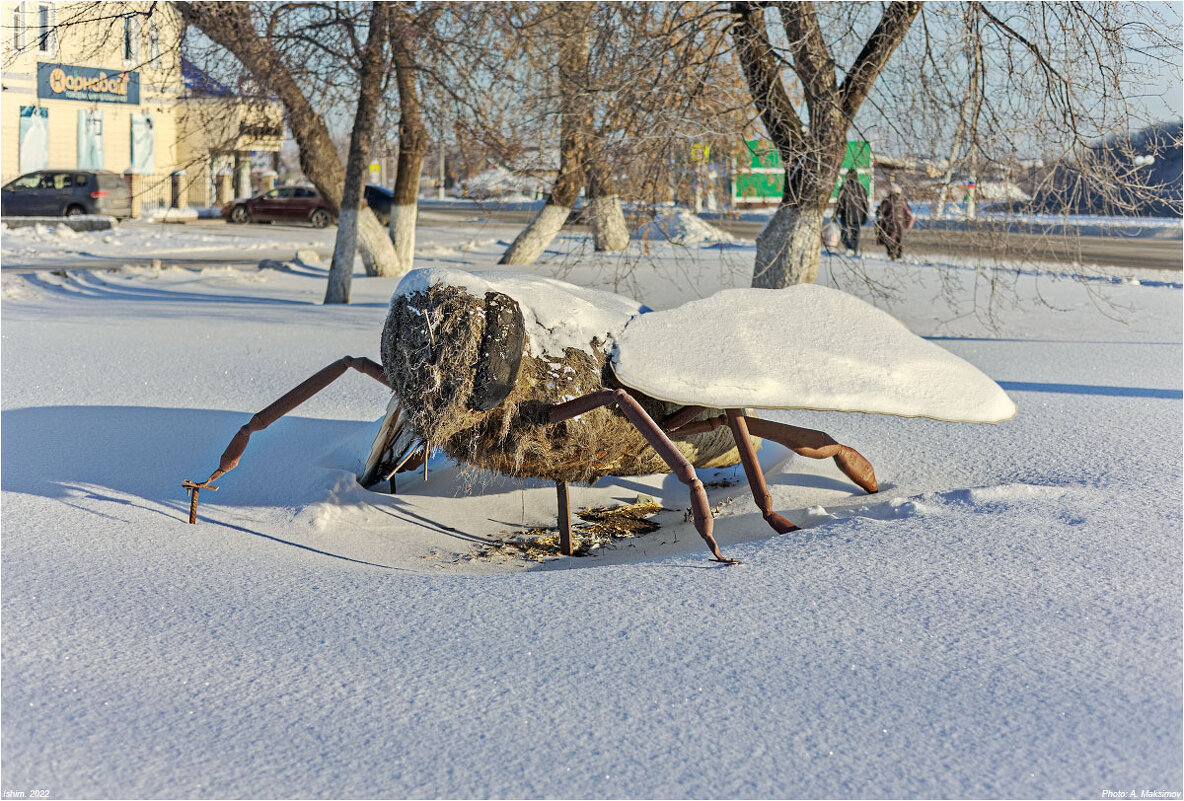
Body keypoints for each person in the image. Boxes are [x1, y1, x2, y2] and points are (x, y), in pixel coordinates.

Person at [875, 184, 914, 260]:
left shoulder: (887, 200)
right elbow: (908, 213)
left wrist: (878, 212)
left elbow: (880, 211)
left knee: (889, 239)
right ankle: (899, 254)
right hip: (900, 223)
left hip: (889, 223)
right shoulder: (903, 201)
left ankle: (892, 253)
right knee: (899, 239)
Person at [835, 169, 869, 255]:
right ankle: (853, 250)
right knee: (855, 234)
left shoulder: (844, 188)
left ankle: (850, 248)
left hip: (846, 214)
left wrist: (836, 214)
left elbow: (839, 202)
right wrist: (865, 215)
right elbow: (865, 203)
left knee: (844, 234)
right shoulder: (862, 188)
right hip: (858, 215)